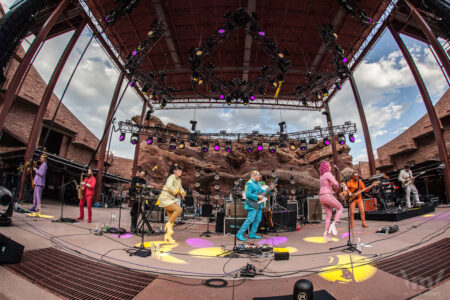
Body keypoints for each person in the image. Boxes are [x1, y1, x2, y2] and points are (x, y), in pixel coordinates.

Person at [236, 170, 273, 241]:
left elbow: (261, 191)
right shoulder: (249, 183)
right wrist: (257, 197)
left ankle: (252, 234)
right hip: (252, 204)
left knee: (258, 219)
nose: (260, 177)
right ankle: (239, 233)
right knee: (250, 219)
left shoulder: (257, 183)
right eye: (258, 175)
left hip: (258, 204)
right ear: (253, 175)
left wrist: (269, 190)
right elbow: (248, 194)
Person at [157, 164, 185, 244]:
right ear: (174, 171)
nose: (180, 172)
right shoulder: (171, 177)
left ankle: (168, 237)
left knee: (172, 220)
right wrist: (177, 192)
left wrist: (183, 193)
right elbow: (169, 186)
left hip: (171, 199)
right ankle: (168, 224)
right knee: (178, 209)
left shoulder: (178, 180)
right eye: (179, 170)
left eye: (181, 170)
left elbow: (181, 189)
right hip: (165, 198)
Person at [318, 161, 343, 242]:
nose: (330, 167)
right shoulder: (328, 174)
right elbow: (336, 184)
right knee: (340, 208)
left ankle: (326, 234)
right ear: (327, 167)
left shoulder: (321, 176)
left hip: (321, 197)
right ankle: (334, 225)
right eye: (329, 165)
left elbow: (328, 184)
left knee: (328, 215)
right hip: (327, 195)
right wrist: (336, 188)